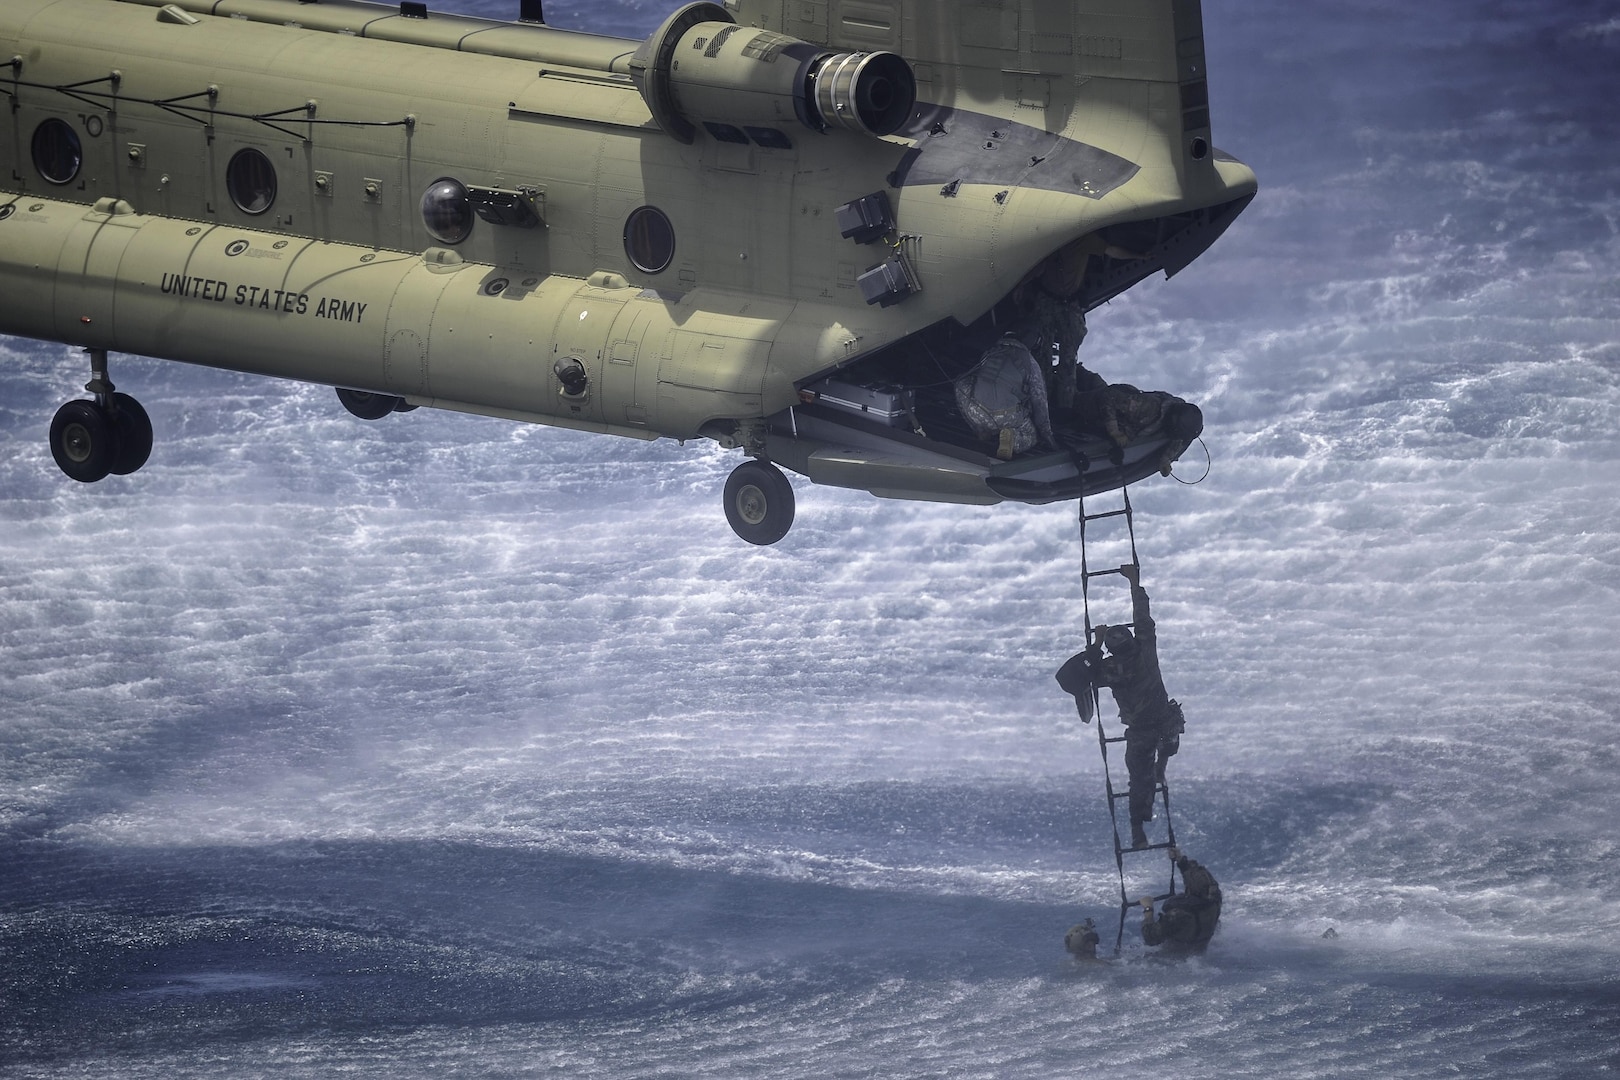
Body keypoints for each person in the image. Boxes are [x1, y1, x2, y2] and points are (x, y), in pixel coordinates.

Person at [1057, 563, 1185, 848]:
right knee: (1169, 737)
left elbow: (1080, 674)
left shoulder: (1107, 669)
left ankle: (1137, 828)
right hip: (1164, 721)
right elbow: (1142, 615)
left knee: (1138, 780)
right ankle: (1162, 765)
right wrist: (1133, 580)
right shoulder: (1145, 648)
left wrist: (1097, 642)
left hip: (1140, 730)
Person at [1140, 847, 1222, 951]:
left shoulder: (1179, 916)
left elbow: (1150, 938)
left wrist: (1148, 909)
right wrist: (1180, 860)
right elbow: (1202, 880)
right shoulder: (1214, 902)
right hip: (1199, 951)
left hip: (1173, 959)